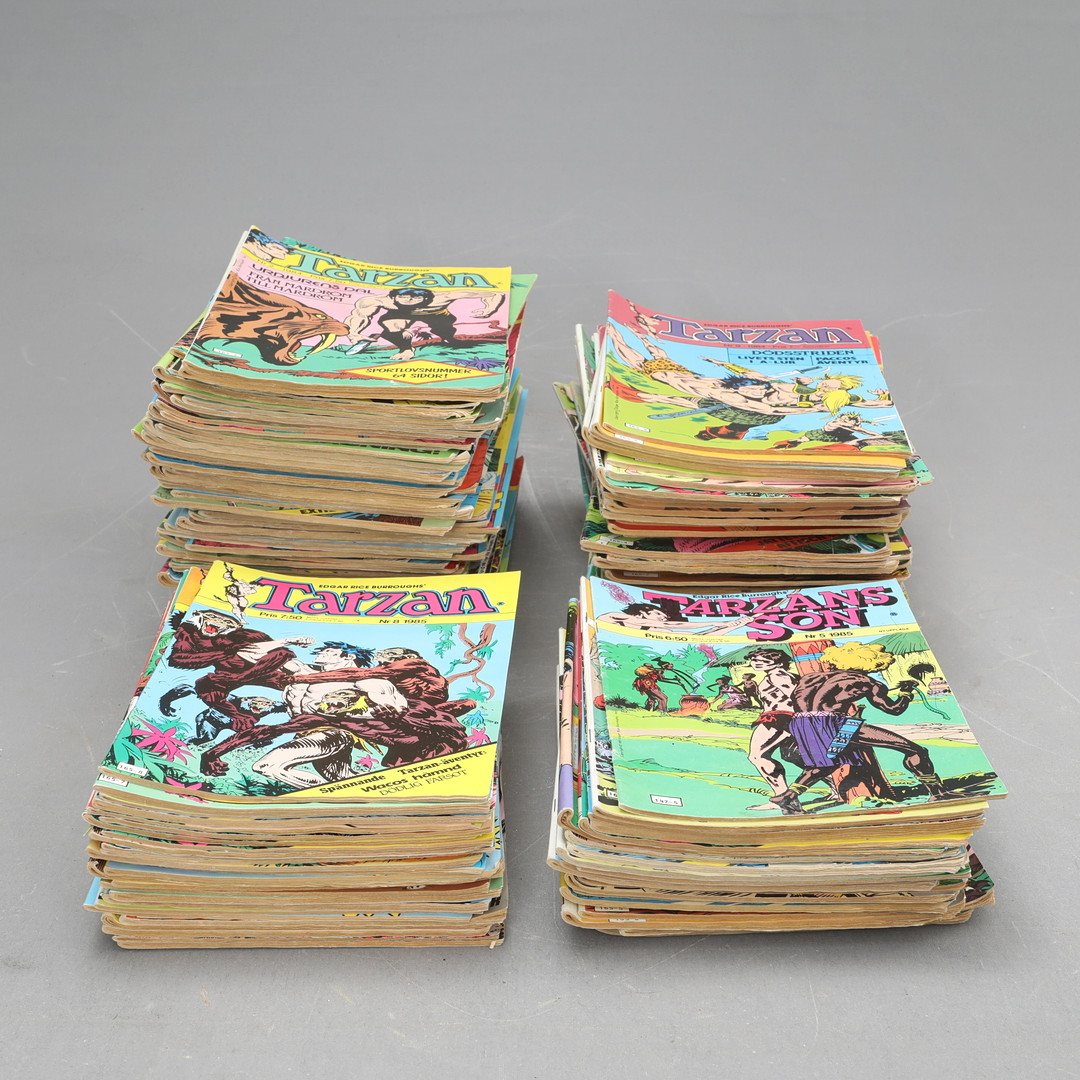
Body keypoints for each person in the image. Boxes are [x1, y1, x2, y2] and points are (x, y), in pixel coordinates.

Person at [770, 642, 949, 814]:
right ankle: (939, 794)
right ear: (871, 663)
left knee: (829, 761)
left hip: (802, 724)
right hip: (835, 723)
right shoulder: (867, 682)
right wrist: (906, 693)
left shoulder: (809, 678)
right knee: (916, 751)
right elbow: (894, 710)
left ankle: (788, 795)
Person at [344, 288, 505, 360]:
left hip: (436, 314)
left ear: (426, 299)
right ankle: (406, 350)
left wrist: (490, 308)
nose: (409, 301)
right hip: (399, 315)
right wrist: (353, 333)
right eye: (404, 298)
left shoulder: (442, 298)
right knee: (392, 327)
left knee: (445, 332)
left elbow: (494, 293)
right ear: (393, 298)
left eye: (415, 298)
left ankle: (448, 339)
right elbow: (359, 315)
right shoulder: (379, 301)